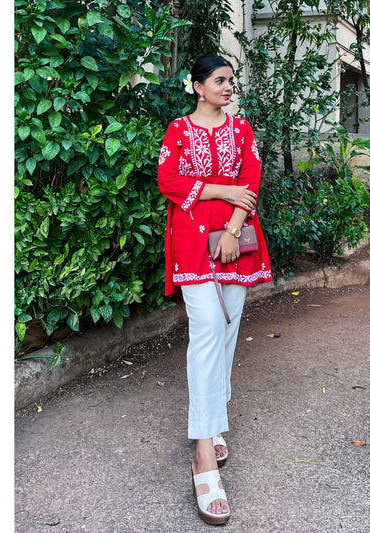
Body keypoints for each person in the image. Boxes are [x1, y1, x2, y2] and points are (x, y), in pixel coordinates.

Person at [157, 54, 272, 524]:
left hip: (235, 238)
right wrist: (219, 191)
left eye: (231, 80)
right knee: (206, 327)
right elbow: (169, 180)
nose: (228, 87)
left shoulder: (241, 129)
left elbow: (251, 179)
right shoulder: (178, 131)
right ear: (197, 86)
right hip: (190, 240)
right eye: (219, 80)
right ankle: (203, 453)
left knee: (228, 328)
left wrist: (231, 225)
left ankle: (215, 416)